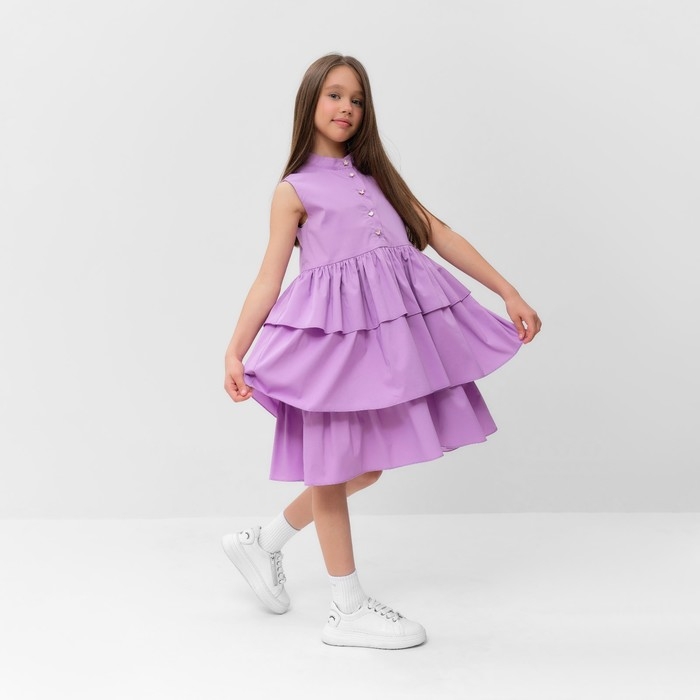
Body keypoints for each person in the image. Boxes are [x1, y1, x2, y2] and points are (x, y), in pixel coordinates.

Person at [222, 53, 542, 650]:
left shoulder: (377, 177)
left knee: (363, 468)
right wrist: (235, 351)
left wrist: (508, 291)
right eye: (334, 95)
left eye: (357, 99)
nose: (346, 107)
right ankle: (345, 608)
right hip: (329, 347)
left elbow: (437, 232)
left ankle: (263, 543)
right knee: (332, 467)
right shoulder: (293, 190)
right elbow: (269, 276)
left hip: (383, 342)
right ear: (310, 103)